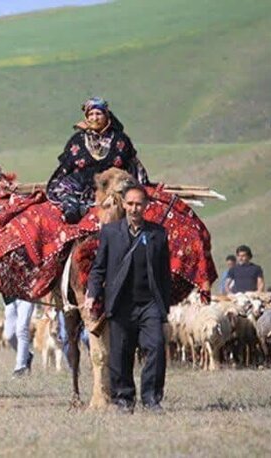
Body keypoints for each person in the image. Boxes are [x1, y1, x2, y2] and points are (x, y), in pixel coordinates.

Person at [84, 183, 171, 413]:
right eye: (130, 204)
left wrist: (164, 310)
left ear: (146, 206)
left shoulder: (158, 234)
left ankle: (152, 399)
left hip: (149, 304)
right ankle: (124, 400)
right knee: (120, 354)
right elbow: (98, 269)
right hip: (121, 304)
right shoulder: (110, 233)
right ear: (123, 204)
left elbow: (164, 274)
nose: (134, 208)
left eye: (139, 204)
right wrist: (92, 294)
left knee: (156, 347)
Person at [46, 96, 149, 223]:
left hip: (111, 186)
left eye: (98, 114)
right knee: (66, 190)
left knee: (121, 193)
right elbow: (65, 168)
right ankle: (73, 210)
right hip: (80, 187)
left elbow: (133, 165)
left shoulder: (120, 139)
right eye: (91, 114)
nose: (95, 118)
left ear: (106, 115)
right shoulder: (77, 140)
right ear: (86, 117)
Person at [0, 290, 34, 377]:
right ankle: (27, 355)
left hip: (27, 296)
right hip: (9, 298)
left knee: (22, 329)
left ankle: (20, 367)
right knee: (9, 335)